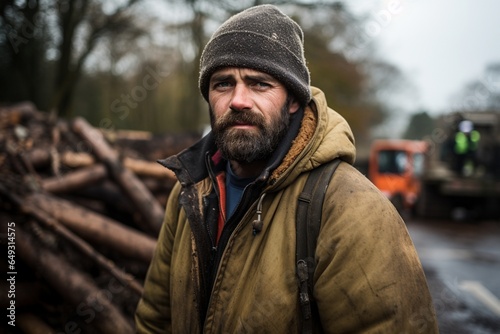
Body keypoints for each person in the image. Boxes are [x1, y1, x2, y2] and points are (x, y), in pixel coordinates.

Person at [135, 4, 438, 333]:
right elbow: (155, 319)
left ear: (293, 100)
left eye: (259, 84)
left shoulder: (352, 209)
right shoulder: (189, 193)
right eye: (222, 84)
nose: (238, 100)